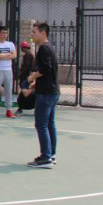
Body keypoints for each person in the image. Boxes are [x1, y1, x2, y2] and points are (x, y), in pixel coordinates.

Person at [27, 22, 59, 169]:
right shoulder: (49, 47)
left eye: (34, 32)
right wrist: (36, 82)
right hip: (51, 91)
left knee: (41, 124)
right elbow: (50, 71)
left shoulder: (44, 48)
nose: (32, 35)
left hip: (46, 93)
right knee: (49, 124)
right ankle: (50, 155)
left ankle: (46, 158)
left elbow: (46, 69)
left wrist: (33, 76)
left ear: (43, 33)